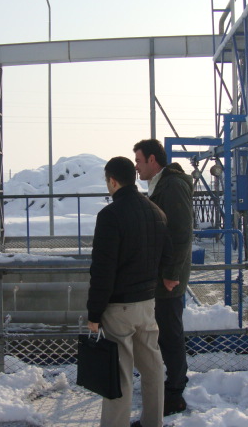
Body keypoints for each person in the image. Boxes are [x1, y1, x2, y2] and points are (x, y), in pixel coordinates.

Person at [86, 156, 172, 427]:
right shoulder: (155, 211)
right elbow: (167, 256)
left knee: (119, 375)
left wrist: (94, 312)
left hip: (119, 307)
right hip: (147, 303)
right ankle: (152, 422)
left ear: (112, 181)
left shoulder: (110, 215)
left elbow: (103, 269)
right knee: (153, 368)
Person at [133, 139, 194, 416]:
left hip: (169, 277)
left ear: (153, 160)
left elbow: (181, 233)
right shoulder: (161, 185)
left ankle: (175, 393)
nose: (136, 167)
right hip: (162, 273)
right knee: (163, 331)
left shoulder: (173, 186)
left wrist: (171, 275)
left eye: (139, 161)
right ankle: (168, 384)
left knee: (170, 332)